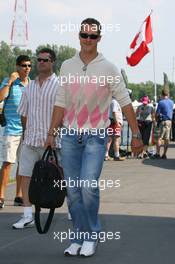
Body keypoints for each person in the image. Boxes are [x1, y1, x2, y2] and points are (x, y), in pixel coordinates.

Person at [45, 18, 143, 257]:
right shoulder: (67, 66)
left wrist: (137, 134)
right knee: (74, 190)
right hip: (69, 135)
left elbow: (125, 102)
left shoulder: (109, 68)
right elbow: (60, 101)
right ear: (78, 36)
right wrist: (51, 132)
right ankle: (78, 236)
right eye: (84, 35)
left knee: (88, 186)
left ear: (99, 38)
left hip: (96, 137)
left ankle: (91, 235)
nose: (87, 40)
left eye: (92, 36)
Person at [12, 48, 60, 229]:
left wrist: (53, 133)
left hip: (53, 141)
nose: (41, 63)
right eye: (38, 60)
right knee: (25, 176)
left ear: (52, 62)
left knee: (60, 176)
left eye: (45, 60)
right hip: (31, 140)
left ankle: (72, 209)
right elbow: (23, 113)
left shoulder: (59, 85)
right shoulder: (29, 86)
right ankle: (27, 215)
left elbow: (63, 114)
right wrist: (26, 131)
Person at [0, 55, 31, 209]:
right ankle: (1, 196)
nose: (27, 68)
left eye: (29, 66)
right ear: (17, 67)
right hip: (11, 129)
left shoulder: (31, 84)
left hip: (26, 131)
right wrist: (10, 81)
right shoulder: (9, 82)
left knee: (23, 164)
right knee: (7, 163)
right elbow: (0, 97)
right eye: (24, 65)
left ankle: (18, 195)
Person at [154, 88, 174, 159]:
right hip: (169, 121)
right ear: (168, 94)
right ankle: (164, 154)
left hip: (162, 121)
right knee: (167, 139)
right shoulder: (172, 102)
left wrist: (156, 120)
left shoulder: (161, 102)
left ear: (162, 94)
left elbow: (157, 113)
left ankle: (157, 153)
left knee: (159, 138)